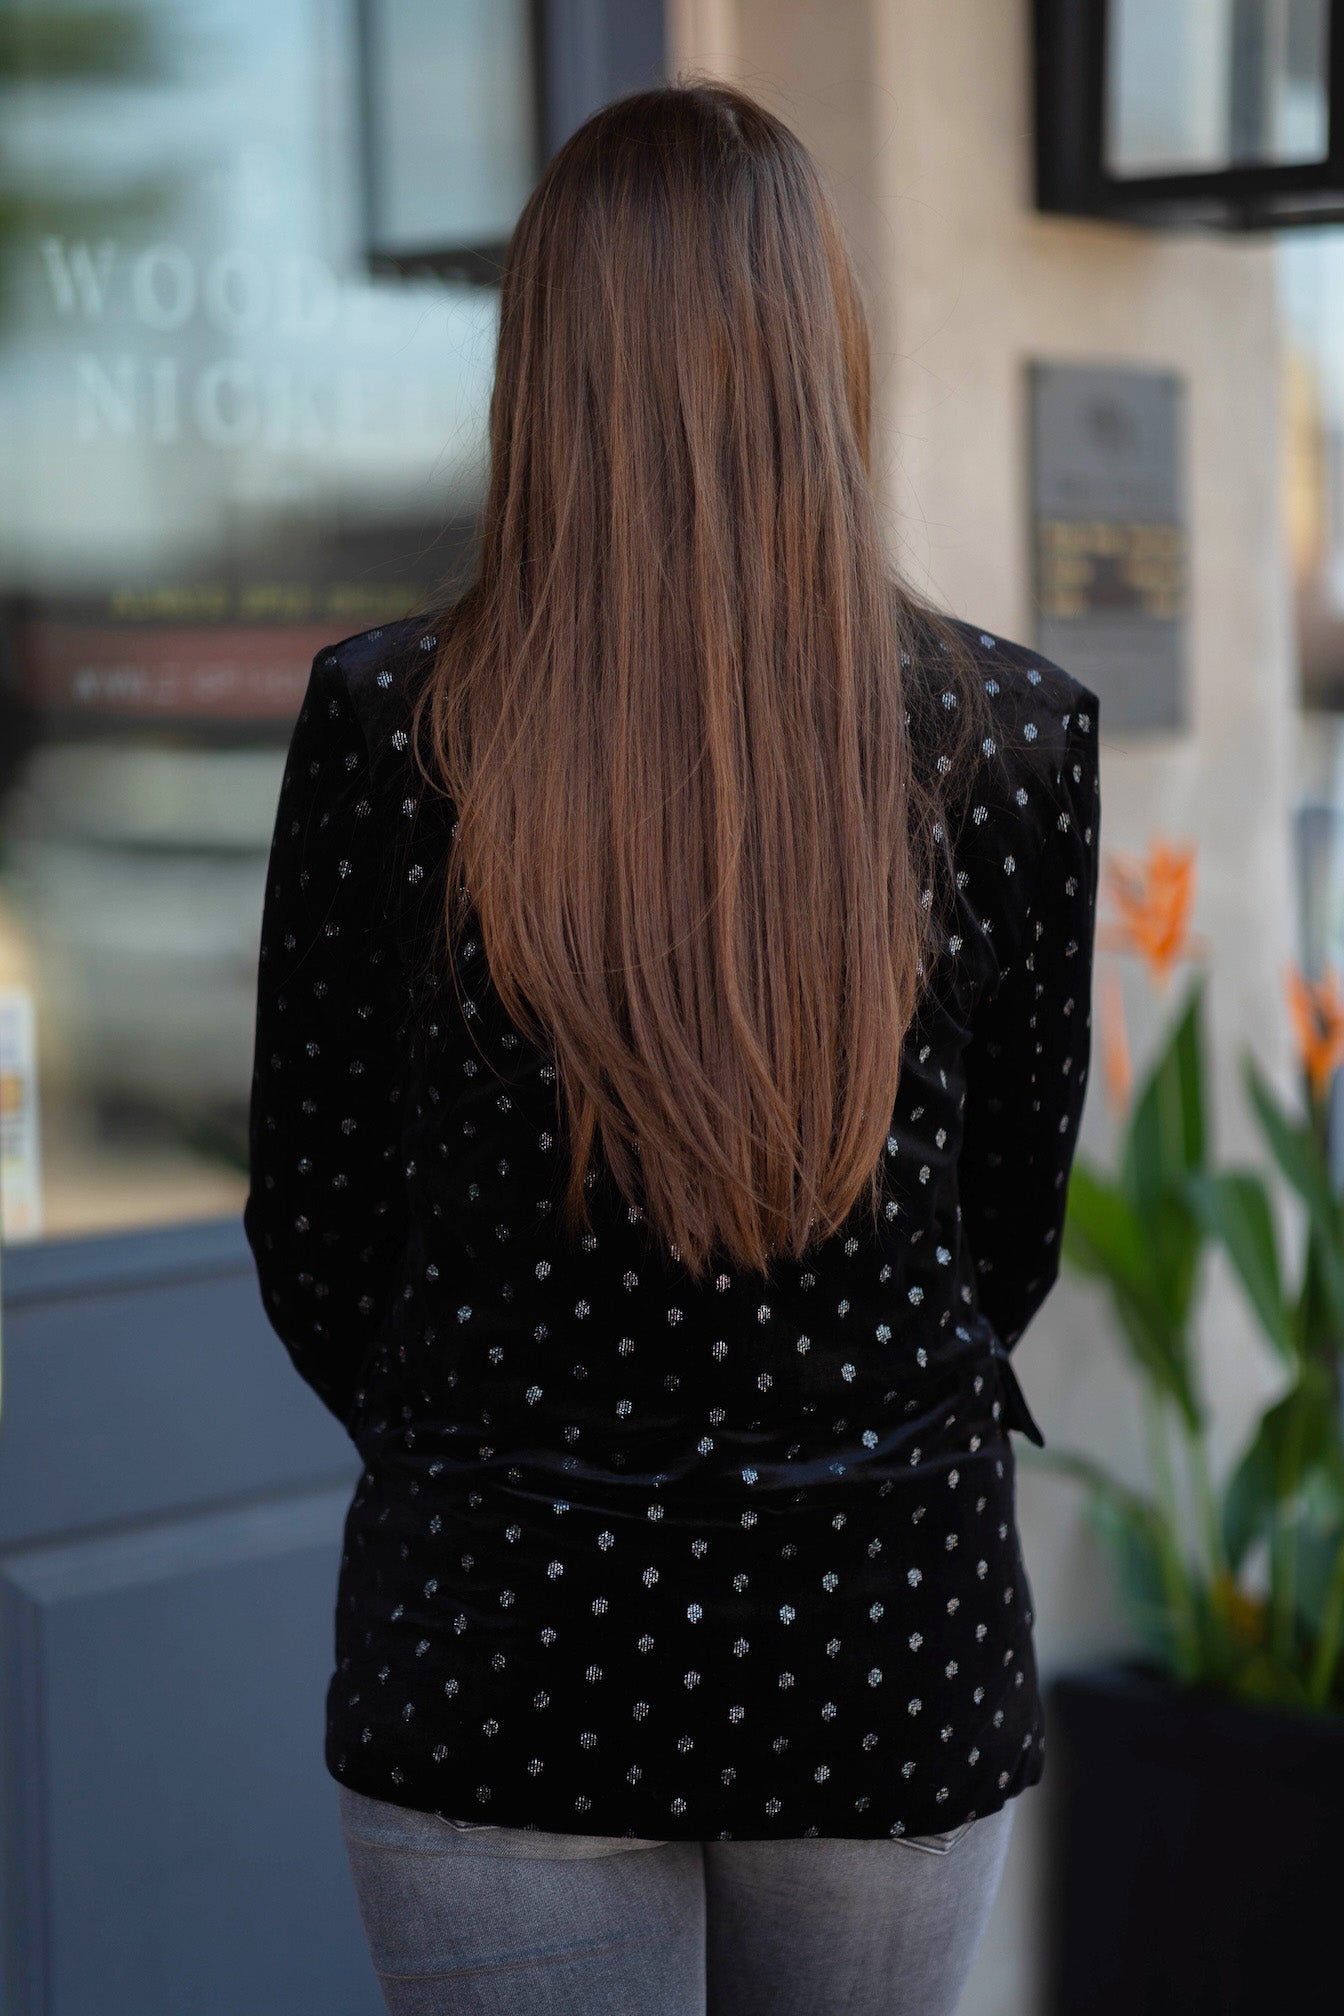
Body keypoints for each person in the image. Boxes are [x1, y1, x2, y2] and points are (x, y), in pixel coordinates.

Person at [243, 77, 1100, 2016]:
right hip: (881, 1643)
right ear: (822, 355)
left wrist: (512, 1452)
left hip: (504, 1643)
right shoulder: (1005, 740)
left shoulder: (393, 729)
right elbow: (1004, 1239)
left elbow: (314, 1228)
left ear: (541, 364)